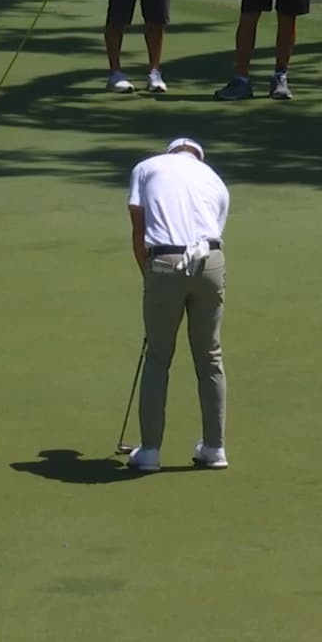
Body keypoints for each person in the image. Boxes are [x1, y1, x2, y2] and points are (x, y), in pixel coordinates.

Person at [125, 138, 230, 471]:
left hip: (164, 261)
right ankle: (214, 449)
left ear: (171, 152)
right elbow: (214, 232)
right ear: (198, 155)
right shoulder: (214, 178)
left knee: (157, 356)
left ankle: (150, 453)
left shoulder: (146, 167)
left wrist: (150, 280)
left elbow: (138, 228)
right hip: (211, 261)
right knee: (209, 356)